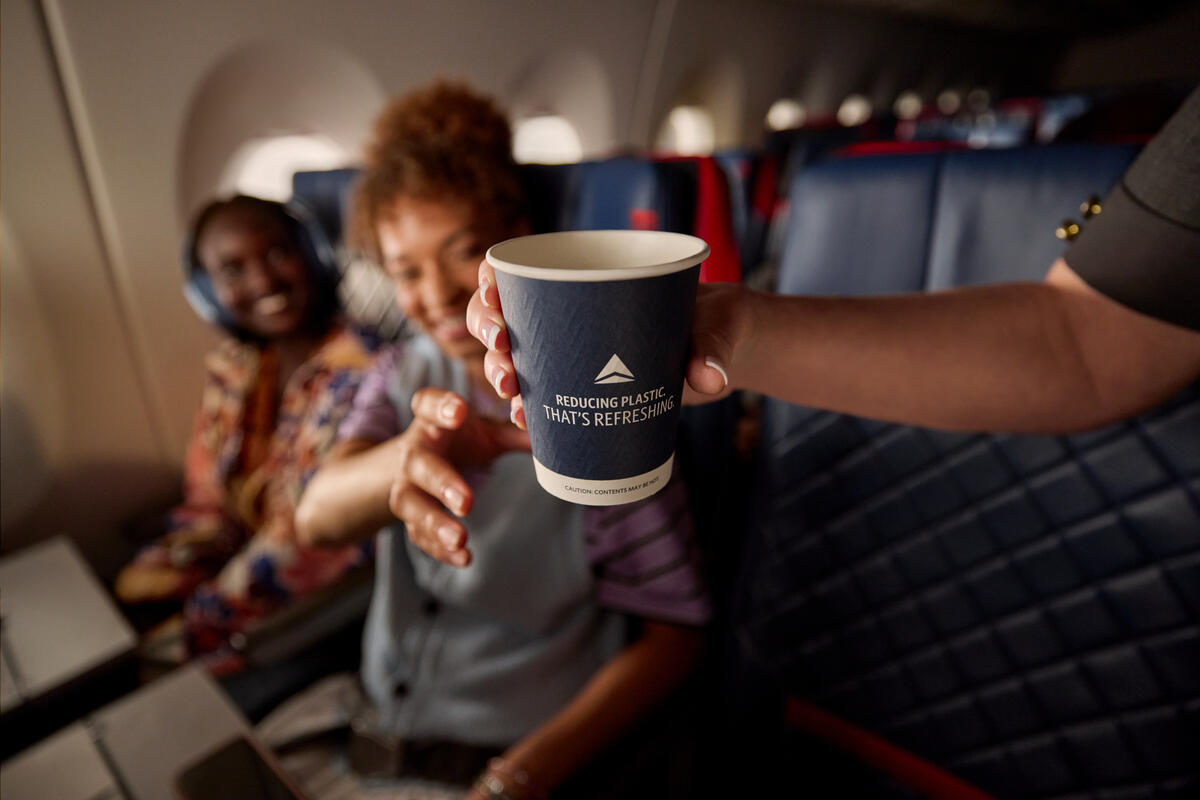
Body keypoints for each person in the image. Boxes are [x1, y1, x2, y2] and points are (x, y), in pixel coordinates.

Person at [293, 81, 709, 799]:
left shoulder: (597, 411)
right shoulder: (399, 376)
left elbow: (676, 637)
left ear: (515, 239)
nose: (437, 295)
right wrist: (407, 459)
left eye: (461, 255)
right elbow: (314, 518)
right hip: (358, 740)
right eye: (406, 271)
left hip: (503, 765)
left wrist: (519, 778)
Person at [115, 195, 375, 675]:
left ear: (312, 255)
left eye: (278, 253)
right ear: (209, 291)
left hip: (302, 594)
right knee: (123, 600)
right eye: (233, 270)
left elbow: (309, 537)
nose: (262, 280)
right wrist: (182, 561)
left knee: (140, 667)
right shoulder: (239, 367)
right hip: (240, 556)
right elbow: (208, 495)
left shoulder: (360, 373)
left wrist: (207, 606)